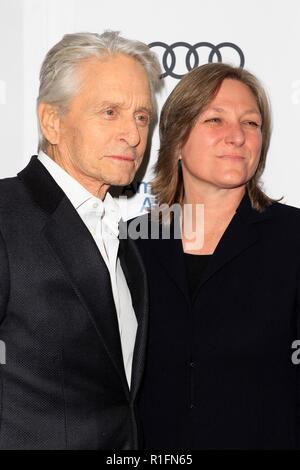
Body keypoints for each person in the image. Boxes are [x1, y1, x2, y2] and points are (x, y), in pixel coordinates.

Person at [0, 31, 161, 449]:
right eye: (110, 112)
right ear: (52, 121)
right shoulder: (5, 216)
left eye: (142, 116)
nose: (133, 134)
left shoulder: (125, 239)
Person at [135, 63, 300, 449]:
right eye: (214, 120)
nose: (238, 137)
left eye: (251, 123)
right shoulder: (133, 243)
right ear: (176, 140)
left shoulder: (294, 238)